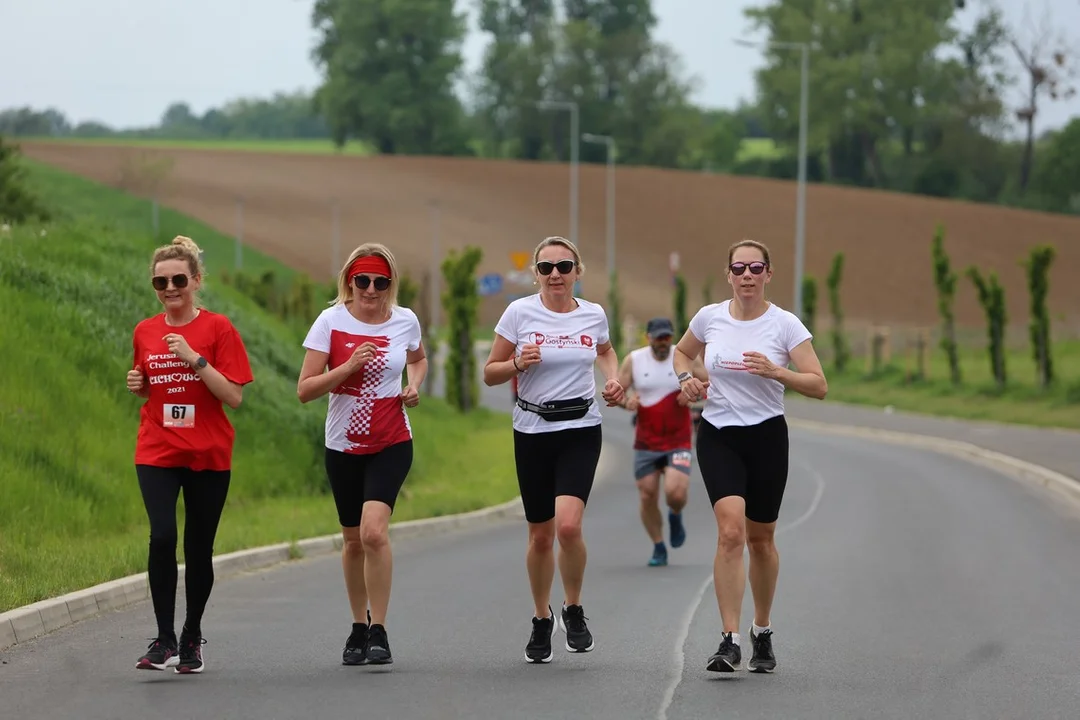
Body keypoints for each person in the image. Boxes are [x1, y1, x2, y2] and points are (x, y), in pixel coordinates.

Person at [673, 239, 827, 675]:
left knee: (761, 540)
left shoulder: (785, 325)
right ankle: (729, 639)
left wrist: (777, 371)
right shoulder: (709, 317)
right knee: (730, 533)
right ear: (728, 275)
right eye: (738, 268)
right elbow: (683, 352)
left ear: (768, 274)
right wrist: (685, 378)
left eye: (755, 268)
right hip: (719, 434)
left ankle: (762, 629)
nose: (746, 276)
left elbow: (818, 384)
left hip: (766, 438)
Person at [483, 236, 625, 664]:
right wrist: (517, 364)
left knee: (568, 526)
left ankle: (573, 608)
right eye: (546, 268)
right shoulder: (519, 313)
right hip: (532, 430)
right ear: (536, 275)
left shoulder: (593, 314)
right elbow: (490, 373)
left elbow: (606, 350)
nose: (555, 275)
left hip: (580, 428)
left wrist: (613, 378)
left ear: (578, 272)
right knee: (541, 535)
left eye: (564, 267)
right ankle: (541, 616)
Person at [128, 235, 254, 674]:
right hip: (157, 447)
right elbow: (152, 385)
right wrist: (139, 385)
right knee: (162, 536)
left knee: (199, 549)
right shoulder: (145, 331)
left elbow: (234, 396)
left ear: (196, 281)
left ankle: (191, 636)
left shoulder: (218, 329)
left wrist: (195, 359)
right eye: (160, 282)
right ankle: (163, 639)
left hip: (208, 452)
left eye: (179, 280)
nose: (170, 288)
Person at [297, 242, 427, 668]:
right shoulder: (330, 321)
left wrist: (413, 385)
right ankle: (358, 624)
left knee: (373, 533)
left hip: (391, 441)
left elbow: (418, 359)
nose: (371, 289)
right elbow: (305, 390)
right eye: (363, 281)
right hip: (343, 445)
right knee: (353, 540)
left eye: (380, 282)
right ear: (349, 281)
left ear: (391, 284)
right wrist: (348, 367)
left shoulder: (405, 320)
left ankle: (380, 629)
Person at [616, 317, 708, 567]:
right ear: (649, 338)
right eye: (658, 338)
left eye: (667, 337)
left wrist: (693, 394)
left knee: (675, 493)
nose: (663, 343)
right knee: (647, 494)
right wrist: (627, 402)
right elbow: (617, 391)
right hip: (646, 441)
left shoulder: (685, 358)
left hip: (678, 439)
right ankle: (658, 546)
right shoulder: (634, 360)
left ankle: (675, 514)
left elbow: (709, 385)